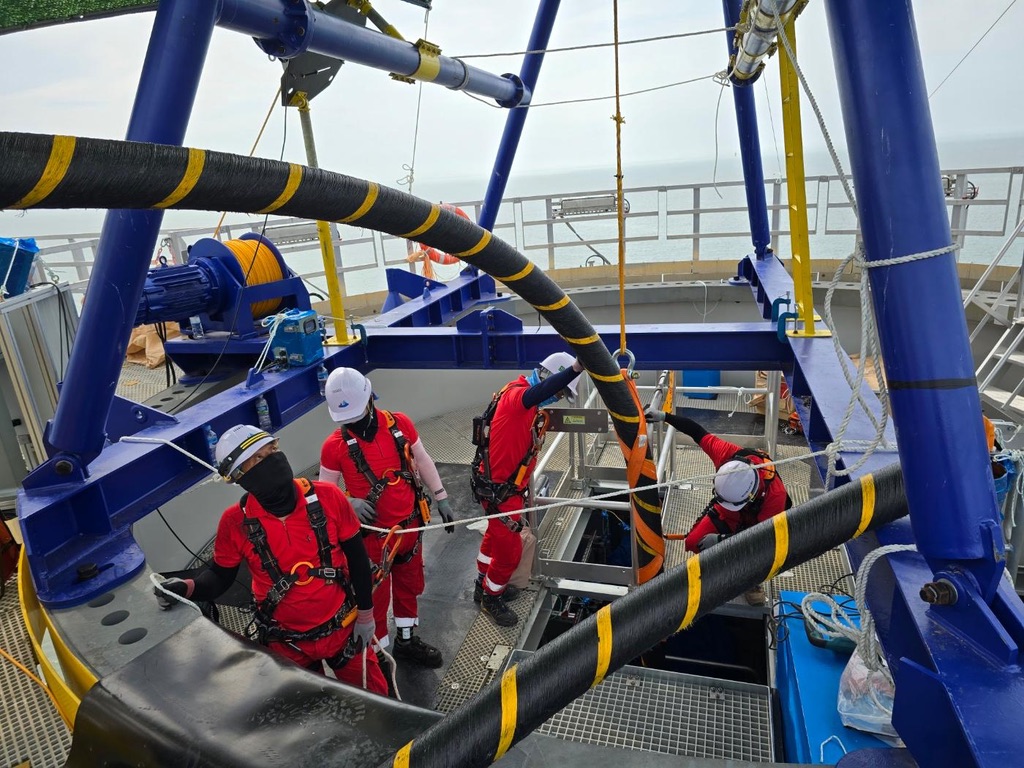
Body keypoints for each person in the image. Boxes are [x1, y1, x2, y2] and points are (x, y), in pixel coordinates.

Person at [154, 425, 387, 695]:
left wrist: (366, 616)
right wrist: (187, 588)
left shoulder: (328, 497)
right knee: (306, 711)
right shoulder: (235, 522)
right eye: (260, 458)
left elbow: (357, 559)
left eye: (273, 450)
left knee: (377, 699)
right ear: (241, 477)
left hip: (343, 631)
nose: (275, 459)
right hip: (287, 642)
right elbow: (219, 577)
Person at [319, 368, 453, 669]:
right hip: (371, 539)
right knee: (375, 598)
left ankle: (406, 640)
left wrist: (441, 496)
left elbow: (422, 459)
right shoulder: (334, 446)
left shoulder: (400, 424)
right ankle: (381, 654)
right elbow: (326, 491)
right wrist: (348, 502)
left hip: (409, 527)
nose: (352, 423)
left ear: (369, 399)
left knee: (409, 585)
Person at [471, 352, 584, 627]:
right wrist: (575, 369)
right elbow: (541, 392)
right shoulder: (518, 398)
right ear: (547, 376)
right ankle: (490, 596)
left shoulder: (515, 394)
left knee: (494, 540)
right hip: (500, 492)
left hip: (499, 488)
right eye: (558, 393)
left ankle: (482, 583)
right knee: (509, 552)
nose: (556, 399)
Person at [645, 408, 790, 605]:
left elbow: (762, 538)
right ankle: (718, 567)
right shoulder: (727, 455)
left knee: (758, 554)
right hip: (731, 513)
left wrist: (722, 540)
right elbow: (696, 431)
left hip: (759, 525)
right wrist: (665, 417)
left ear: (752, 494)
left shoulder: (775, 497)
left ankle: (752, 582)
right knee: (695, 541)